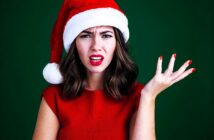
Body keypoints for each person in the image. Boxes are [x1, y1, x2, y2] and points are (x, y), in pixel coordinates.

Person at [33, 0, 196, 140]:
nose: (96, 46)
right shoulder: (53, 97)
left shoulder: (136, 96)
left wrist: (148, 97)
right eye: (85, 35)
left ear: (117, 44)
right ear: (74, 44)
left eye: (106, 35)